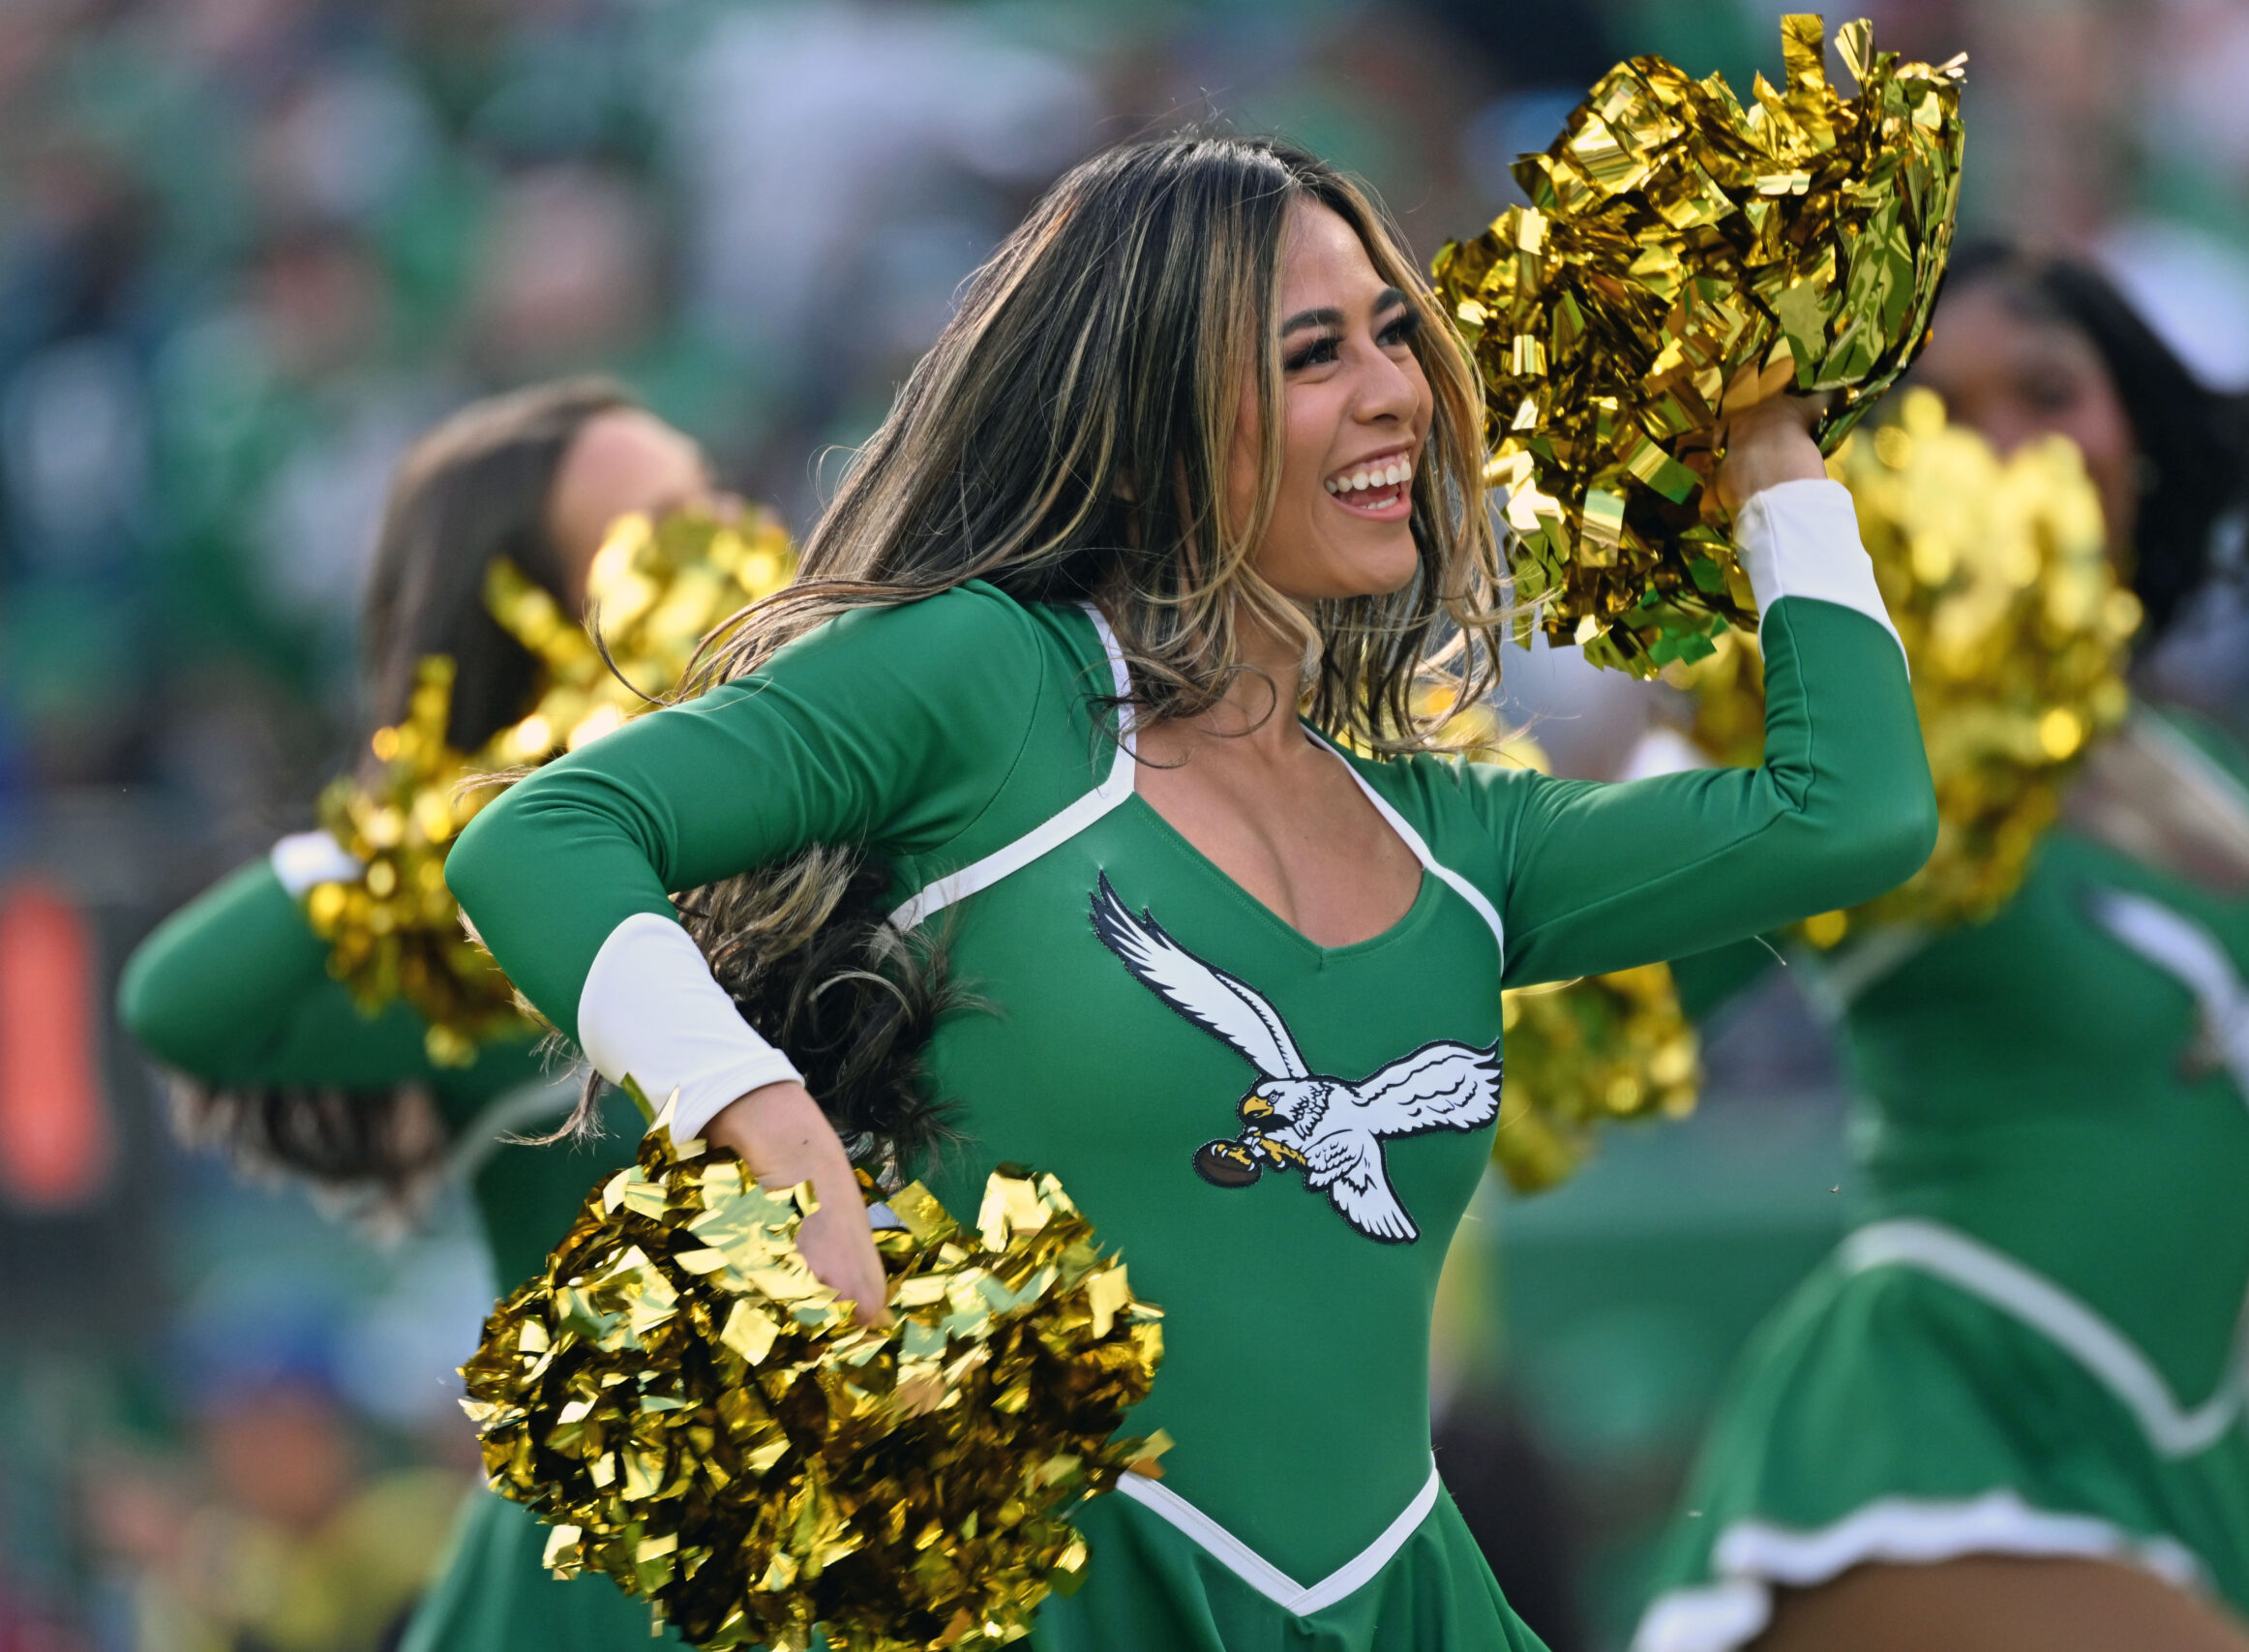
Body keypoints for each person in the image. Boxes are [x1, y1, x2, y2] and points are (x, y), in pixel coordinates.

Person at [442, 133, 1937, 1648]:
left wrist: (1768, 444)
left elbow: (1851, 814)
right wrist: (760, 1117)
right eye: (1310, 355)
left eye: (1393, 336)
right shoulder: (994, 683)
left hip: (1402, 1607)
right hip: (1072, 1604)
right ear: (1156, 415)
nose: (1394, 394)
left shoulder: (1459, 842)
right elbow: (540, 838)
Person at [1631, 245, 2249, 1652]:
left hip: (2183, 1487)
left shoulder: (2222, 776)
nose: (2006, 443)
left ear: (2138, 442)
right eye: (1942, 413)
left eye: (2048, 391)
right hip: (1938, 1433)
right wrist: (1708, 716)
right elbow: (1622, 982)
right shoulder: (1874, 751)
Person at [118, 376, 714, 1652]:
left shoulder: (837, 830)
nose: (717, 552)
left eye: (706, 506)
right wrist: (454, 796)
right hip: (600, 1600)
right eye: (647, 535)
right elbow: (182, 1002)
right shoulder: (490, 960)